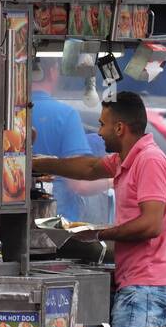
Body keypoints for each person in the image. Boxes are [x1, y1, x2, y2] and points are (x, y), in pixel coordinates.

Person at [33, 92, 166, 327]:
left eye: (103, 124)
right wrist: (38, 163)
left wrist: (98, 234)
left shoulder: (149, 160)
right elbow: (89, 168)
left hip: (147, 287)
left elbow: (152, 224)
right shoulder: (124, 159)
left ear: (119, 128)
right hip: (137, 284)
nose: (99, 132)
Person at [31, 61, 111, 222]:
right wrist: (112, 181)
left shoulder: (10, 110)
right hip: (57, 220)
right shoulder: (65, 115)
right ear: (53, 72)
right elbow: (79, 185)